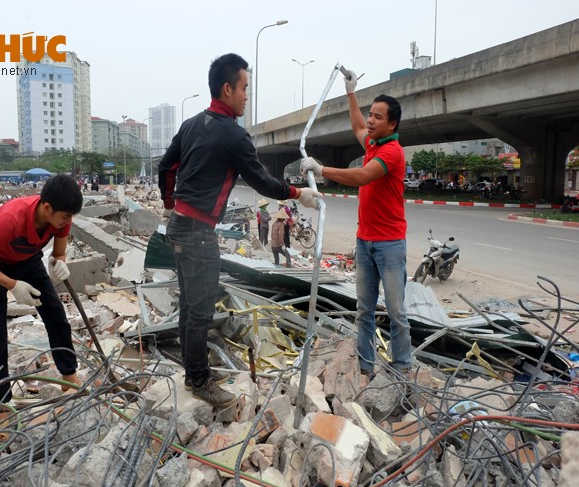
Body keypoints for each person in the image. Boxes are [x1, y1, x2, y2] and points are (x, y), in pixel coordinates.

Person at [158, 53, 321, 407]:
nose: (248, 95)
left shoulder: (190, 124)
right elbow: (262, 181)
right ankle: (199, 380)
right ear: (227, 88)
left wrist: (169, 202)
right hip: (199, 235)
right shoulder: (234, 135)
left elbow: (165, 165)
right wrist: (298, 193)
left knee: (189, 304)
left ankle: (193, 371)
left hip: (179, 228)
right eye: (245, 87)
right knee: (199, 311)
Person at [301, 71, 411, 386]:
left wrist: (321, 168)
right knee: (363, 311)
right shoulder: (373, 143)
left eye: (378, 117)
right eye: (371, 114)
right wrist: (351, 93)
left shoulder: (391, 152)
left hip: (390, 245)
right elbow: (357, 127)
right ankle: (366, 369)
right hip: (364, 243)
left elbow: (363, 177)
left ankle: (402, 371)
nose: (371, 121)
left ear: (392, 125)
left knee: (396, 312)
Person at [0, 175, 83, 404]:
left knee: (56, 314)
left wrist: (60, 262)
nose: (67, 222)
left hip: (27, 260)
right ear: (47, 208)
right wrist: (12, 284)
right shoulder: (12, 219)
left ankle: (69, 374)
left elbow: (58, 253)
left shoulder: (62, 218)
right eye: (65, 217)